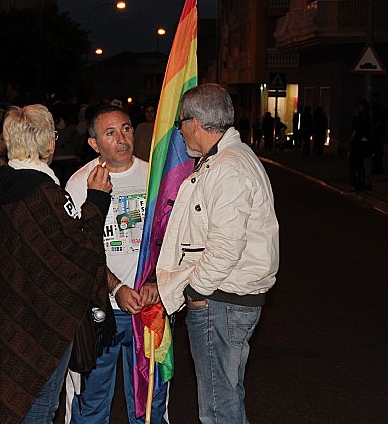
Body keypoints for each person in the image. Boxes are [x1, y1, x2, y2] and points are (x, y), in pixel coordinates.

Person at [0, 104, 112, 423]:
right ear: (49, 143)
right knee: (38, 408)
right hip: (40, 323)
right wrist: (97, 200)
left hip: (6, 316)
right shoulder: (45, 195)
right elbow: (78, 255)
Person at [157, 83, 279, 424]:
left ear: (196, 122)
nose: (179, 130)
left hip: (221, 300)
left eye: (181, 122)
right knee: (226, 396)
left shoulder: (228, 167)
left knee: (217, 406)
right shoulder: (226, 160)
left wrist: (196, 291)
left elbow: (226, 246)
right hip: (227, 298)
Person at [64, 105, 169, 423]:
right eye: (110, 133)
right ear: (94, 143)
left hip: (150, 309)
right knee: (92, 402)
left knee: (149, 404)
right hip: (100, 311)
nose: (122, 138)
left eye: (126, 128)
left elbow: (172, 239)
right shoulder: (80, 183)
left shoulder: (155, 177)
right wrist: (118, 288)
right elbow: (77, 253)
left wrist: (156, 283)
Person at [350, 98, 373, 191]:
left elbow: (360, 129)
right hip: (360, 143)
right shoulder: (363, 116)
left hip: (361, 144)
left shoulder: (364, 117)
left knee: (359, 165)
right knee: (358, 165)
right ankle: (359, 183)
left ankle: (360, 184)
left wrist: (359, 139)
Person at [371, 93, 388, 174]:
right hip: (375, 133)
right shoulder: (372, 108)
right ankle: (375, 167)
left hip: (379, 133)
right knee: (374, 150)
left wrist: (374, 128)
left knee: (378, 151)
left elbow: (382, 120)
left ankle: (378, 168)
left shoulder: (380, 109)